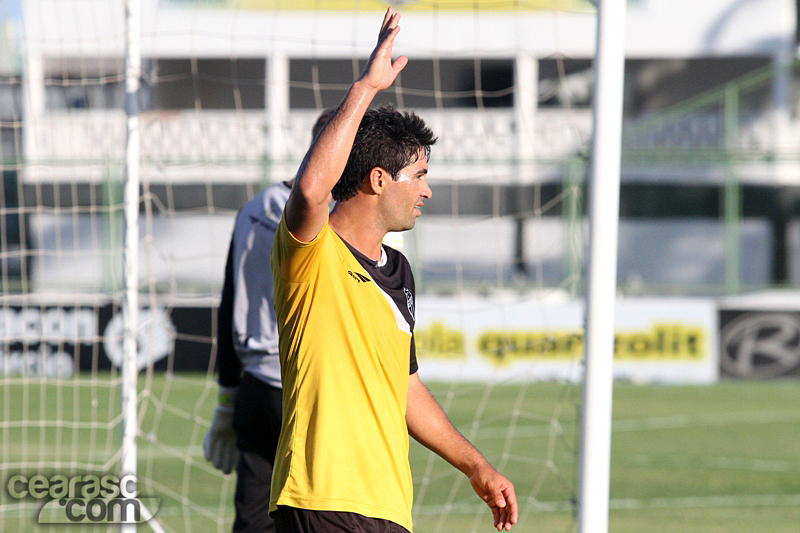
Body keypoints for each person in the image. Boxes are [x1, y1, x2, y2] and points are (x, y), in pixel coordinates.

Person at [268, 8, 517, 533]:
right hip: (323, 499)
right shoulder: (312, 252)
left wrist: (476, 465)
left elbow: (404, 386)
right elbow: (312, 190)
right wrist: (366, 87)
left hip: (386, 508)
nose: (427, 190)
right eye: (419, 175)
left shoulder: (397, 269)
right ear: (379, 180)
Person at [204, 109, 336, 533]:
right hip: (310, 389)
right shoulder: (334, 222)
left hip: (256, 387)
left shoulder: (252, 210)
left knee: (252, 520)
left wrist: (227, 400)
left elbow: (228, 306)